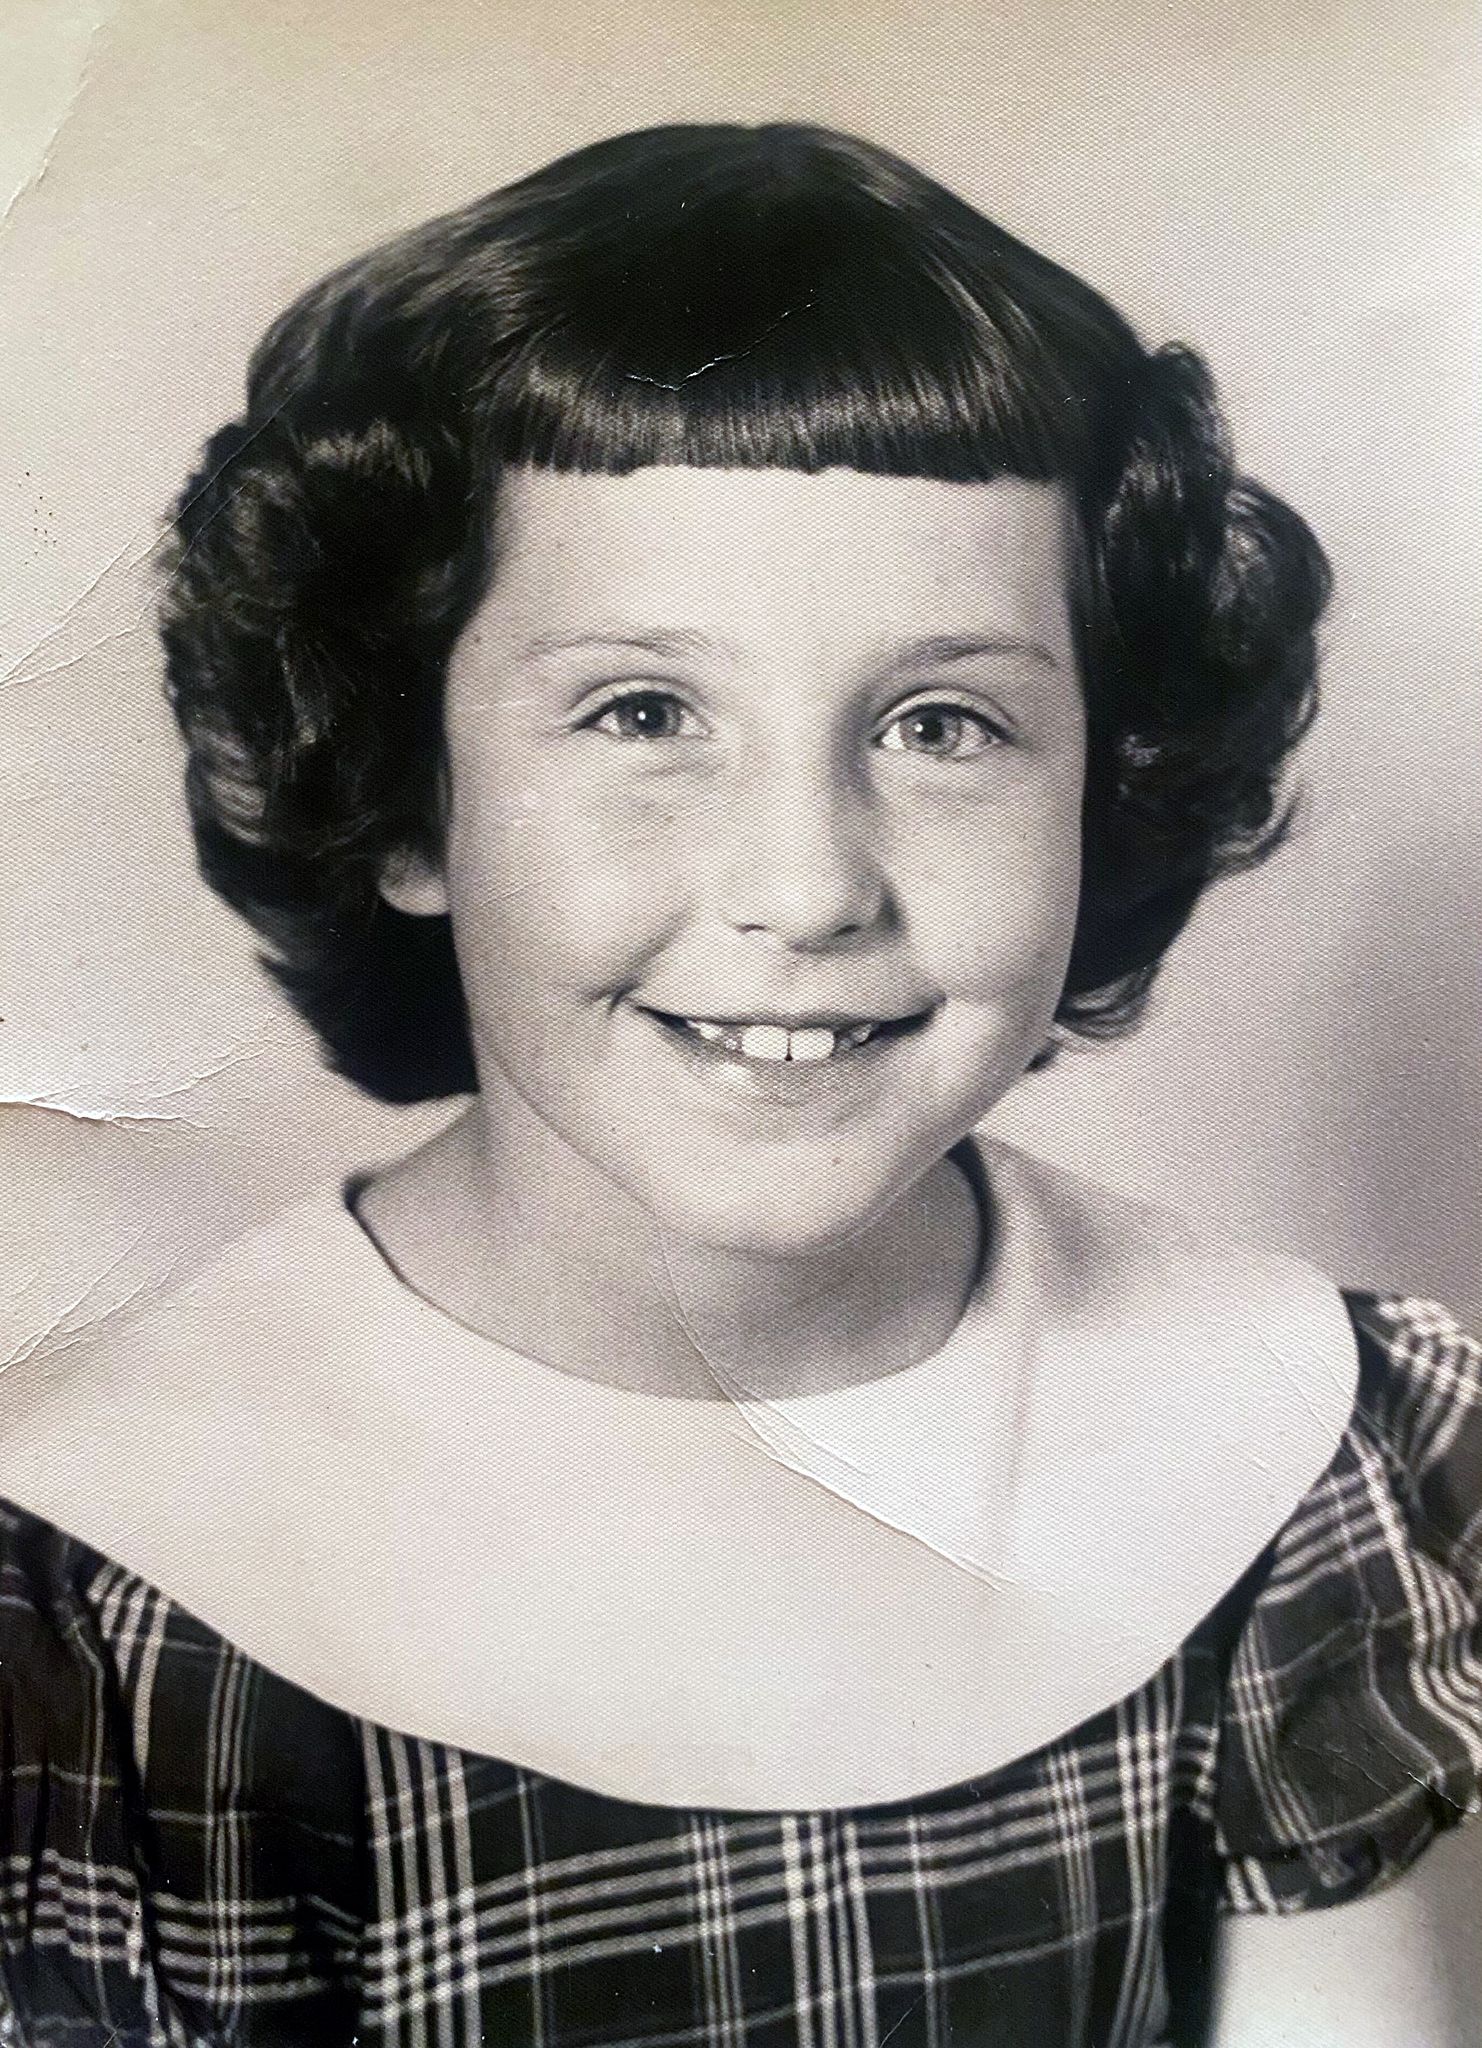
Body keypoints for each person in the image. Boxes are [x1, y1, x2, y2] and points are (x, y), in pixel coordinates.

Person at [1, 122, 1477, 2048]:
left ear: (1104, 788)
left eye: (943, 724)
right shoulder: (89, 1596)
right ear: (405, 793)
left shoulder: (1301, 1440)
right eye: (643, 712)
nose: (806, 886)